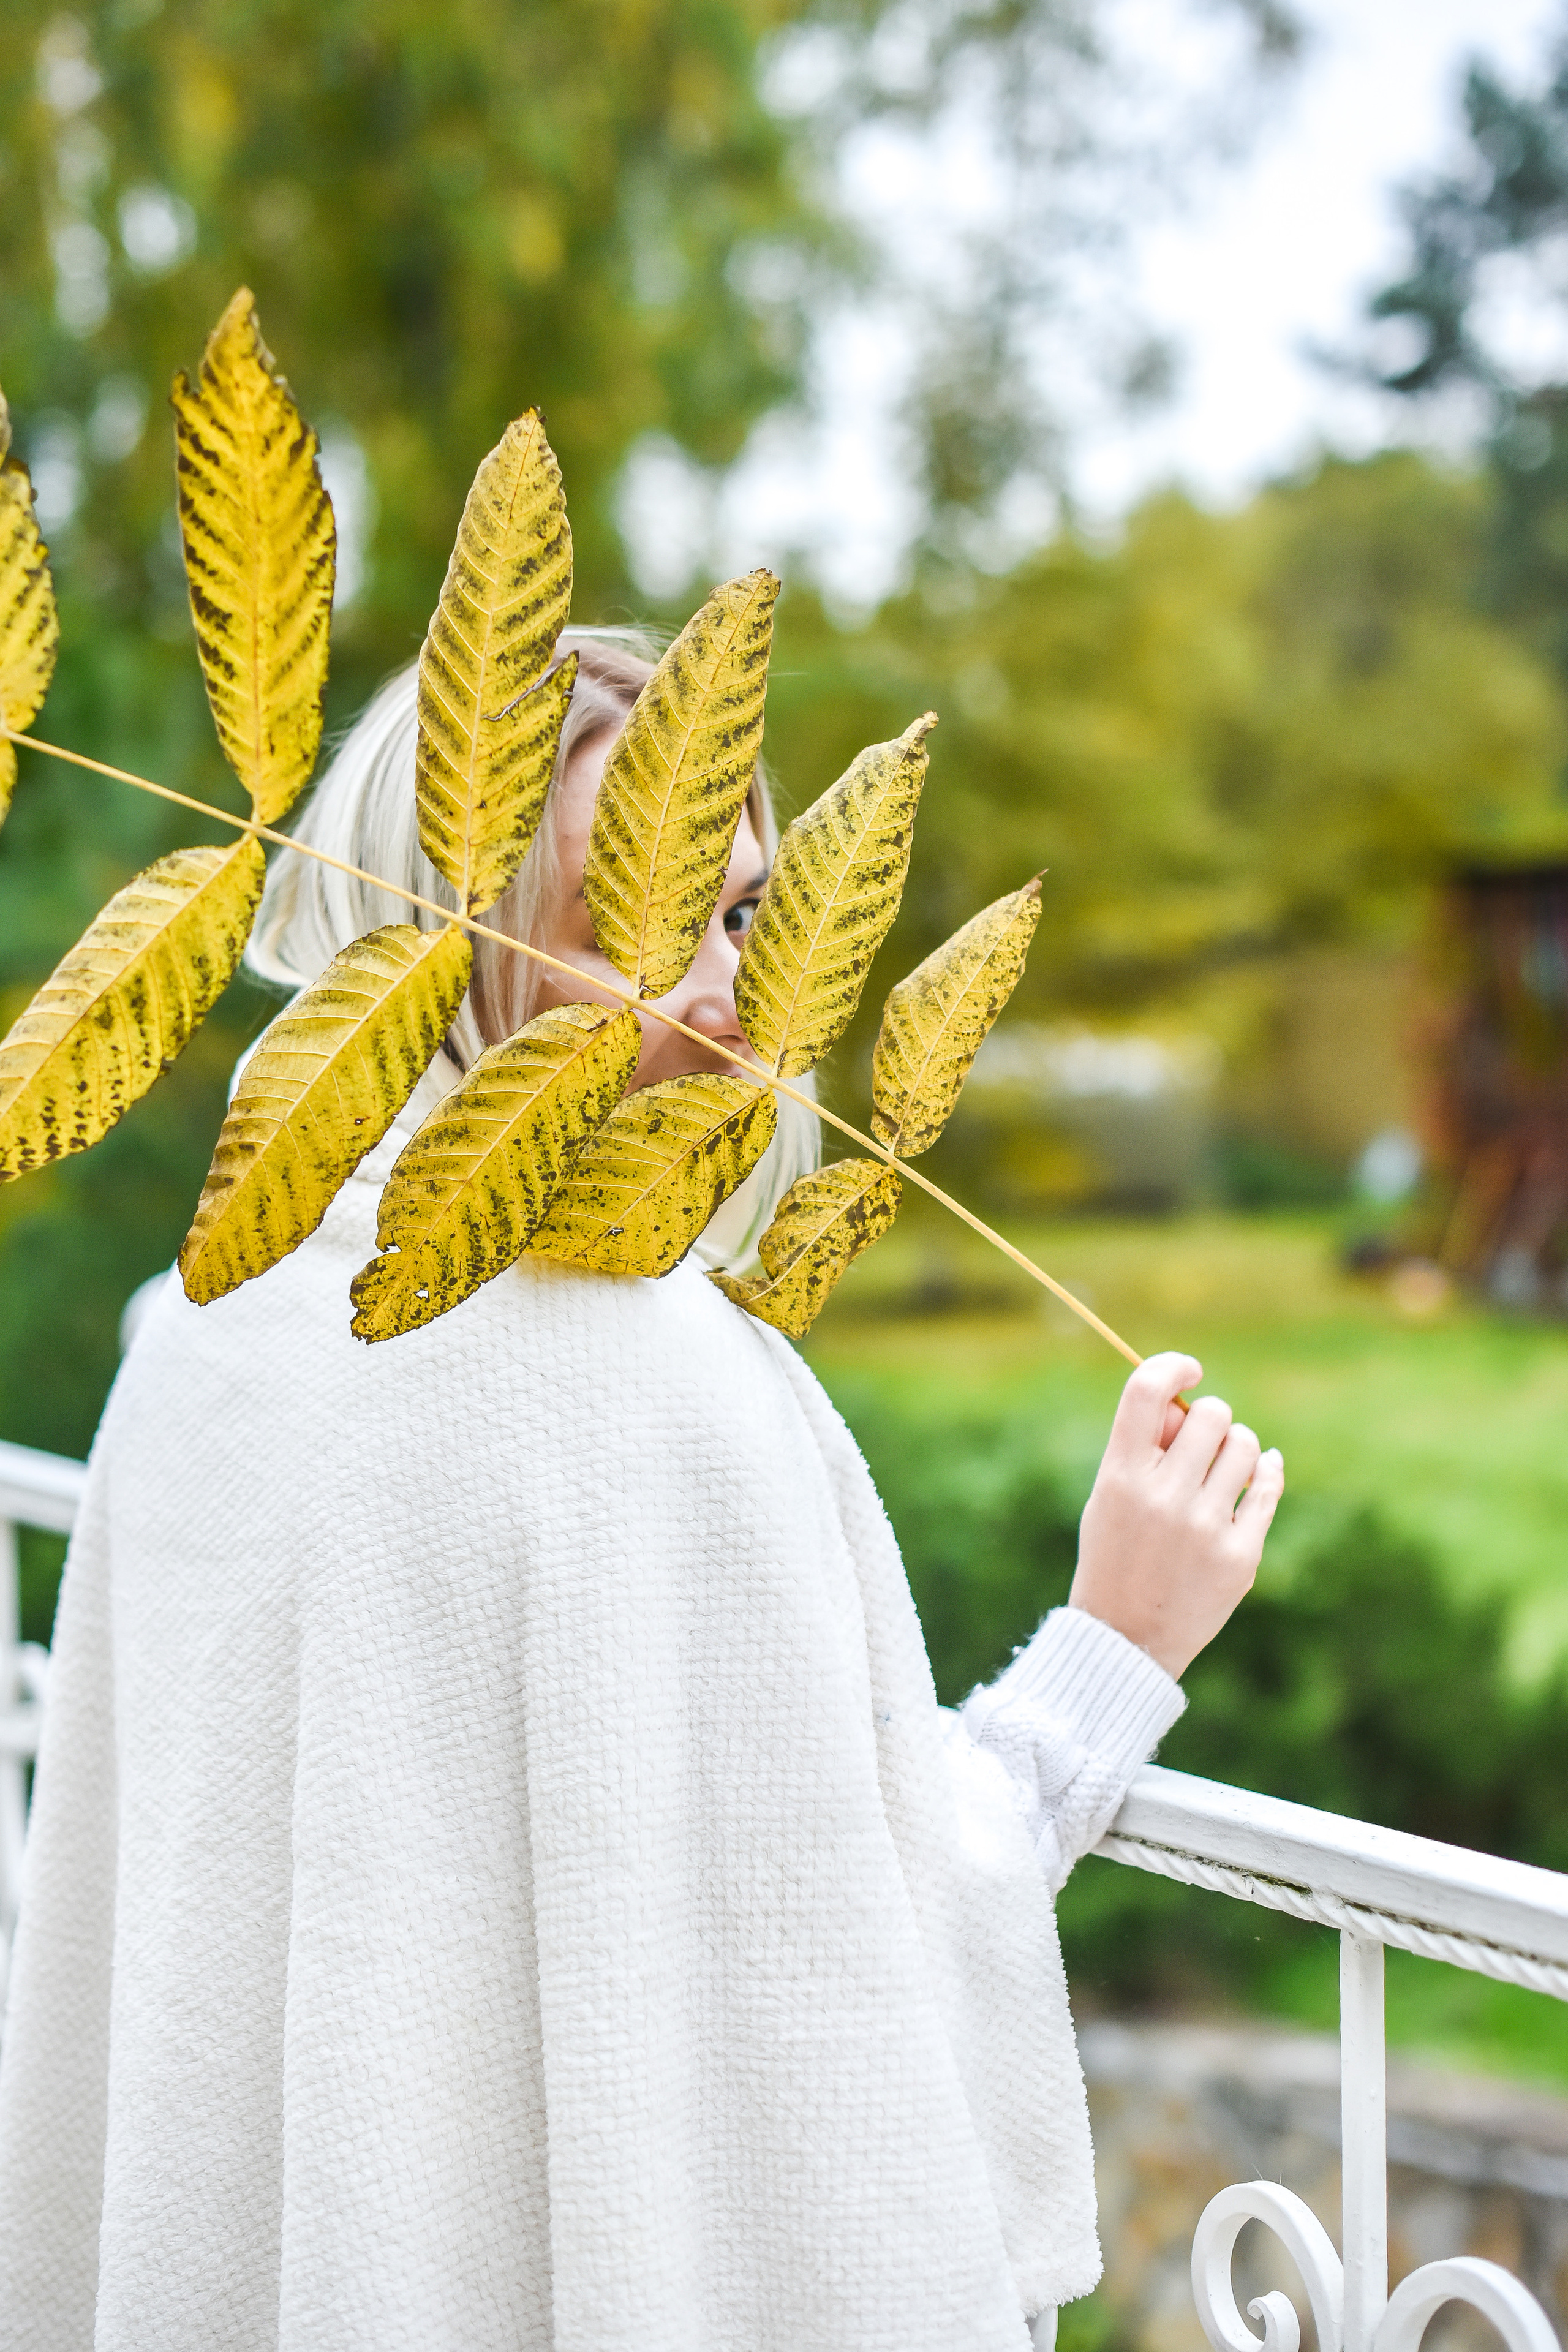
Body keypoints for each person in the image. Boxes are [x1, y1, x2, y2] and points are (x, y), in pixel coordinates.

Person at [0, 632, 1283, 2352]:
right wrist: (1116, 1646)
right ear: (432, 928)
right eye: (634, 915)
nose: (740, 995)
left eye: (744, 910)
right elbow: (830, 1984)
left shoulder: (206, 1327)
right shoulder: (647, 1386)